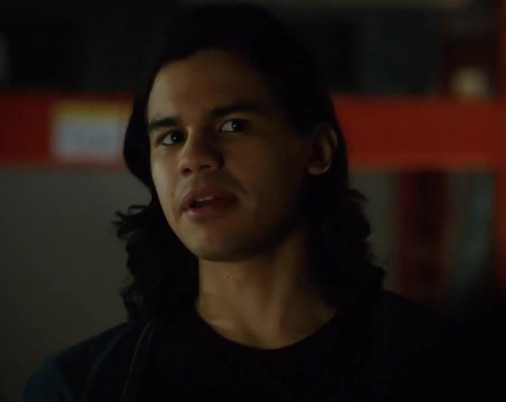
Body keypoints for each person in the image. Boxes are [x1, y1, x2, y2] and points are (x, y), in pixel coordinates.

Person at [23, 3, 473, 401]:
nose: (193, 157)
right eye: (171, 137)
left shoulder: (443, 369)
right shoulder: (84, 387)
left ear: (317, 151)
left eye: (233, 126)